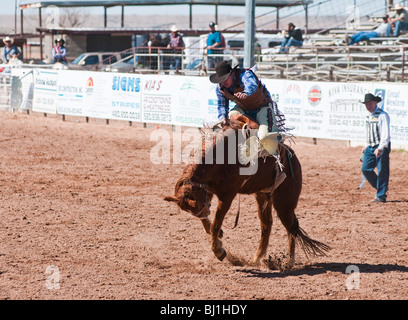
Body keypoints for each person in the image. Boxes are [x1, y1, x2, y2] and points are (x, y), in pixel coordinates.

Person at [209, 60, 287, 157]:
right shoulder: (220, 89)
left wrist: (246, 93)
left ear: (232, 74)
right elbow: (222, 105)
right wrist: (222, 117)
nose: (223, 82)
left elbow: (252, 85)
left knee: (264, 136)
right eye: (221, 80)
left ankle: (271, 138)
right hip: (242, 108)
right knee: (231, 115)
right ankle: (248, 133)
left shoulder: (244, 75)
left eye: (225, 78)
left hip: (262, 107)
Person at [360, 93, 391, 203]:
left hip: (380, 145)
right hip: (371, 145)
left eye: (370, 103)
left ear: (375, 103)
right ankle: (381, 187)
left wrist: (381, 147)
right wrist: (366, 145)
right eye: (367, 104)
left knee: (382, 170)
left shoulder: (382, 115)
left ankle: (381, 196)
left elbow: (385, 134)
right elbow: (369, 132)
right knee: (365, 169)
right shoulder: (369, 116)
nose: (369, 105)